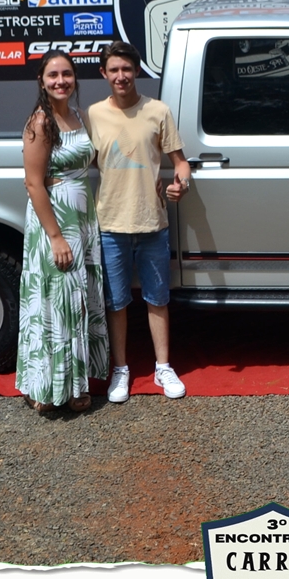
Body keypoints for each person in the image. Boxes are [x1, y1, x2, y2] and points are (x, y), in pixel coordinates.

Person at [85, 41, 192, 403]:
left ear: (137, 71)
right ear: (104, 73)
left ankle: (163, 367)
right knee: (116, 303)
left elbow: (180, 162)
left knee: (157, 300)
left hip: (153, 224)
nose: (121, 76)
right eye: (114, 70)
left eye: (127, 69)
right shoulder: (93, 115)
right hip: (110, 225)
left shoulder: (158, 111)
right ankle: (120, 369)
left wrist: (181, 185)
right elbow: (82, 162)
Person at [17, 50, 109, 414]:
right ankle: (43, 385)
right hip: (54, 220)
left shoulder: (79, 116)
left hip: (82, 220)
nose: (61, 81)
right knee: (54, 301)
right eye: (53, 75)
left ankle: (74, 386)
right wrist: (55, 237)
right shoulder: (40, 123)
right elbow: (33, 183)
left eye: (66, 74)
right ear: (41, 81)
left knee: (78, 300)